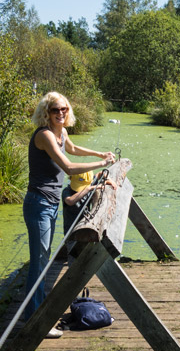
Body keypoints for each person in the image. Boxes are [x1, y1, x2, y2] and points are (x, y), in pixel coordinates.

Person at [23, 91, 115, 338]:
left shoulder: (61, 133)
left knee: (42, 260)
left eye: (64, 109)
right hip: (39, 204)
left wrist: (98, 154)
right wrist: (102, 165)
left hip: (51, 204)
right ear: (46, 112)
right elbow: (68, 166)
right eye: (55, 110)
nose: (60, 113)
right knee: (40, 263)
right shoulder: (44, 135)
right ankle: (36, 321)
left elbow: (72, 148)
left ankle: (36, 313)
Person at [61, 170, 117, 261]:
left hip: (85, 229)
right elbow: (70, 201)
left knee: (86, 256)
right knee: (73, 257)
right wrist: (89, 188)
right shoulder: (66, 191)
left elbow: (102, 173)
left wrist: (109, 180)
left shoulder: (90, 182)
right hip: (71, 233)